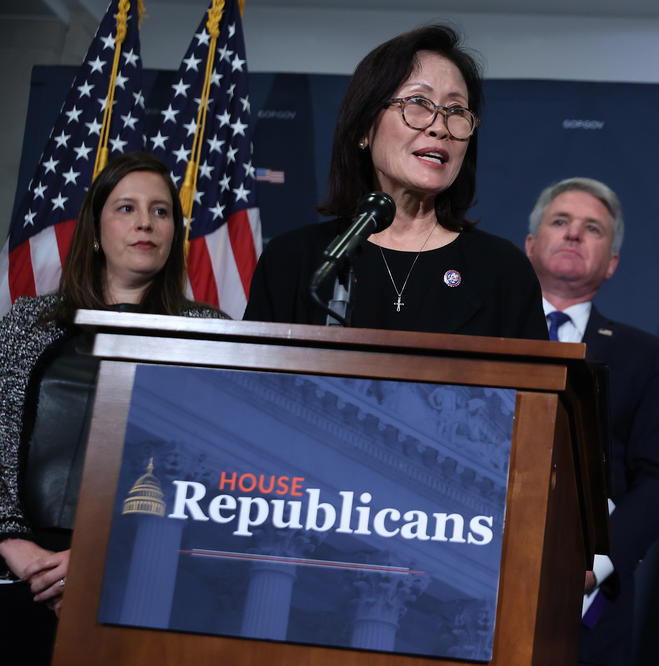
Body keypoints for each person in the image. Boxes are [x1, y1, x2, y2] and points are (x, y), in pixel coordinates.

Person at [0, 151, 225, 664]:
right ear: (96, 230)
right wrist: (16, 547)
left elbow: (214, 475)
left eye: (161, 211)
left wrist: (108, 552)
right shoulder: (28, 323)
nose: (145, 222)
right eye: (126, 208)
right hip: (21, 575)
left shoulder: (211, 333)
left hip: (144, 572)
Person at [244, 25, 546, 340]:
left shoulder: (503, 271)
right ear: (363, 128)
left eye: (456, 110)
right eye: (418, 102)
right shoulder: (294, 261)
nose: (439, 128)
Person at [524, 177, 659, 665]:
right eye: (561, 221)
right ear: (529, 246)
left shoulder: (642, 355)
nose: (573, 234)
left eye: (592, 228)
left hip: (588, 603)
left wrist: (596, 565)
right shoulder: (482, 332)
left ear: (611, 263)